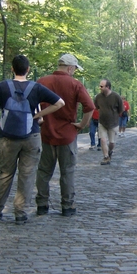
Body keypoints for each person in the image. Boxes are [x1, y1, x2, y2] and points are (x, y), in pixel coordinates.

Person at [0, 55, 64, 224]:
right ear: (28, 69)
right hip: (31, 136)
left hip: (7, 138)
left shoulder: (2, 87)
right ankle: (20, 212)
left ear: (12, 69)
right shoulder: (36, 88)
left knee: (5, 174)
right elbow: (59, 103)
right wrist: (39, 115)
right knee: (27, 175)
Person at [35, 54, 95, 217]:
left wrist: (39, 118)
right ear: (69, 68)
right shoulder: (75, 84)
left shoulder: (42, 81)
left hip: (47, 133)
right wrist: (82, 125)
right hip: (67, 135)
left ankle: (42, 205)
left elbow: (31, 103)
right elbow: (89, 107)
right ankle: (67, 206)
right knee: (67, 171)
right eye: (75, 69)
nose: (74, 72)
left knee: (43, 172)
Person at [94, 79, 123, 165]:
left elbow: (121, 110)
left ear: (108, 87)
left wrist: (114, 116)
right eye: (100, 86)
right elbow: (96, 107)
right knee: (103, 140)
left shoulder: (116, 96)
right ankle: (106, 157)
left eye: (102, 86)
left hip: (113, 123)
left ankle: (110, 151)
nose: (100, 88)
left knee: (112, 142)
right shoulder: (98, 97)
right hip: (102, 122)